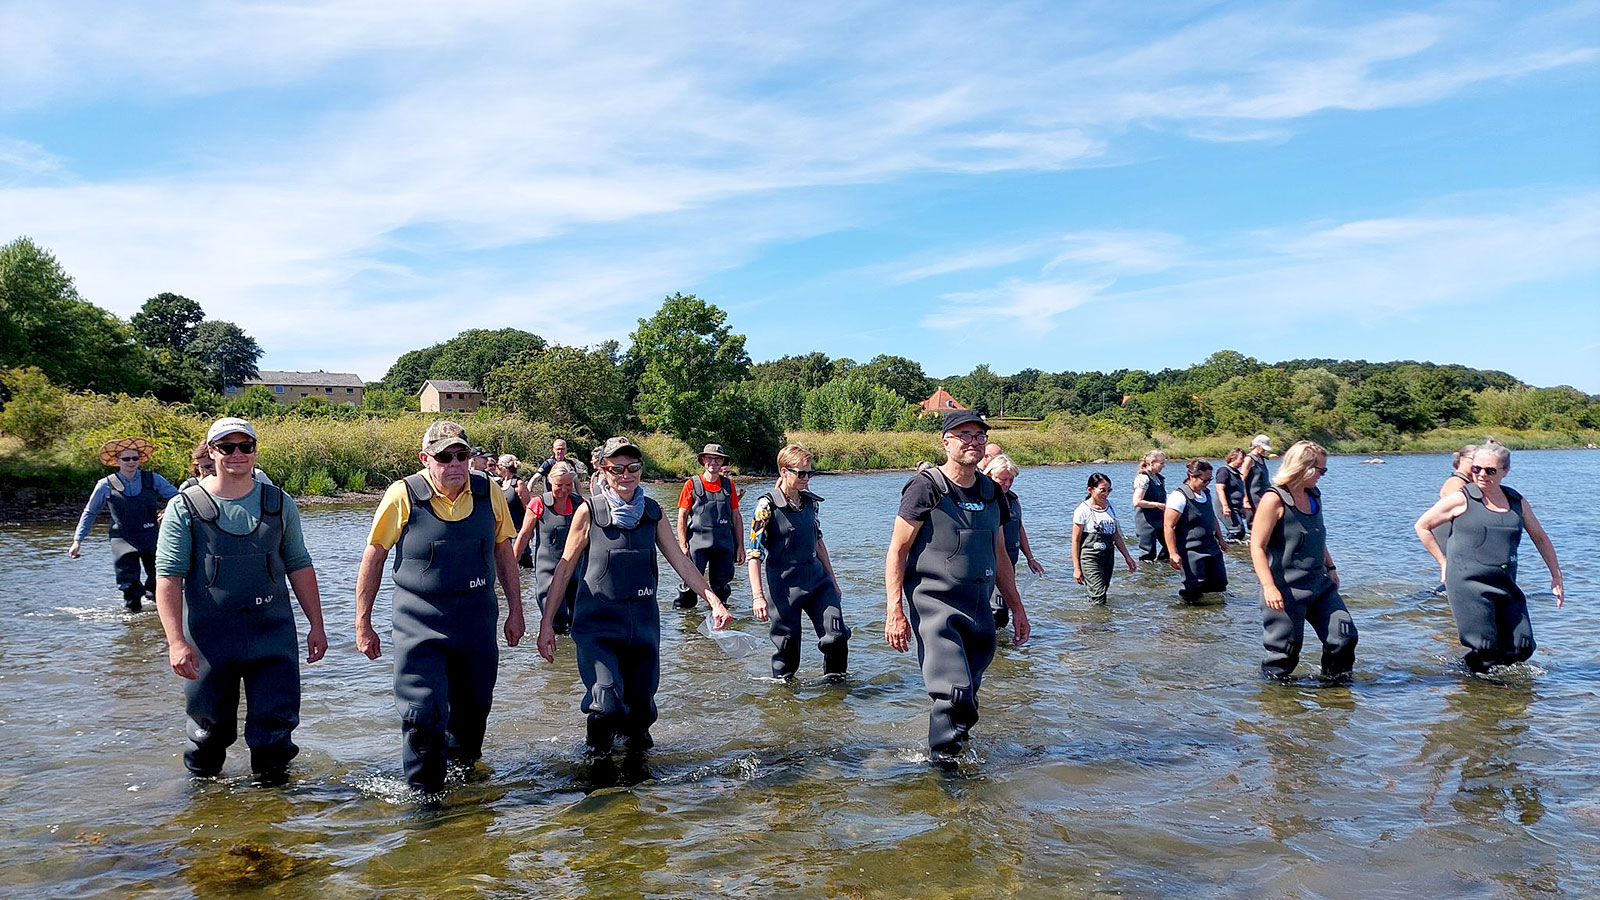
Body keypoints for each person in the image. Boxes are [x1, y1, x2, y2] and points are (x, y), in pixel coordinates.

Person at [536, 437, 734, 758]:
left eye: (633, 468)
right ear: (604, 470)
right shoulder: (589, 511)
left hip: (642, 629)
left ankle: (638, 785)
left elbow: (682, 561)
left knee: (641, 715)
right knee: (607, 704)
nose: (626, 475)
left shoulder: (652, 513)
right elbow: (563, 569)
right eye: (617, 468)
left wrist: (713, 600)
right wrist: (547, 624)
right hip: (597, 629)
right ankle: (595, 763)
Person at [354, 421, 525, 792]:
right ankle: (425, 802)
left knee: (474, 711)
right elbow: (375, 555)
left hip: (477, 622)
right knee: (423, 713)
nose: (455, 464)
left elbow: (504, 550)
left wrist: (517, 610)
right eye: (444, 457)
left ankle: (466, 794)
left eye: (462, 455)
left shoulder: (489, 491)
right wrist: (362, 623)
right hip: (420, 624)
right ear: (425, 459)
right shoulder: (403, 495)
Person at [153, 417, 327, 780]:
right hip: (211, 639)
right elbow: (168, 577)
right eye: (227, 447)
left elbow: (299, 565)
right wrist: (175, 642)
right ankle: (203, 806)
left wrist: (317, 626)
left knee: (275, 732)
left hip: (273, 635)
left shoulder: (279, 503)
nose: (237, 454)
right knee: (208, 735)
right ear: (211, 451)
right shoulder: (185, 507)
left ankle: (273, 810)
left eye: (245, 446)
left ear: (255, 450)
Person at [885, 410, 1030, 764]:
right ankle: (943, 772)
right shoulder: (926, 487)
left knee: (969, 696)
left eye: (979, 436)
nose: (973, 441)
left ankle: (955, 755)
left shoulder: (992, 491)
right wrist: (895, 612)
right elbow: (897, 550)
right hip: (935, 606)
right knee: (954, 692)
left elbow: (1000, 556)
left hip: (978, 607)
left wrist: (1017, 607)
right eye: (964, 434)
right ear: (946, 441)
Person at [1413, 440, 1565, 673]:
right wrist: (1443, 562)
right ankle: (1469, 690)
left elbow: (1541, 538)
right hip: (1468, 583)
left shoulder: (1516, 501)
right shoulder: (1461, 498)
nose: (1482, 475)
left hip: (1504, 583)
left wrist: (1556, 575)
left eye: (1490, 470)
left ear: (1505, 471)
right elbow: (1422, 526)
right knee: (1485, 649)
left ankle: (1504, 699)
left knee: (1521, 648)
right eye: (1476, 469)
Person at [1250, 440, 1356, 681]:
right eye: (1321, 470)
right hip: (1285, 589)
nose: (1323, 476)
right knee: (1285, 654)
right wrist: (1269, 587)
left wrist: (1331, 566)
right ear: (1303, 468)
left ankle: (1334, 694)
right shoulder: (1274, 499)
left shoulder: (1313, 494)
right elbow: (1256, 546)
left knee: (1344, 637)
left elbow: (1317, 533)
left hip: (1320, 584)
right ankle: (1275, 702)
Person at [748, 444, 849, 678]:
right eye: (801, 473)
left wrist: (833, 582)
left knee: (837, 636)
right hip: (784, 588)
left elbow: (818, 543)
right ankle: (785, 703)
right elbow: (754, 553)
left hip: (817, 582)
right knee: (787, 654)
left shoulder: (810, 503)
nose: (806, 478)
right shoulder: (766, 506)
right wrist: (757, 596)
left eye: (809, 473)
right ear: (784, 472)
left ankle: (835, 694)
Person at [69, 437, 180, 611]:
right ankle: (133, 613)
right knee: (128, 582)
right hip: (122, 538)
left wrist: (167, 511)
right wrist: (78, 541)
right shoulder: (104, 485)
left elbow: (178, 498)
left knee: (160, 577)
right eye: (126, 459)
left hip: (150, 535)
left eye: (135, 458)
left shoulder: (153, 479)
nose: (131, 462)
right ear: (117, 461)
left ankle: (158, 612)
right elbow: (90, 512)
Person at [512, 461, 586, 636]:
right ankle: (554, 657)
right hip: (548, 572)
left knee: (578, 620)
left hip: (576, 570)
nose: (564, 490)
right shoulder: (538, 504)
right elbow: (524, 535)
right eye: (559, 485)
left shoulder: (581, 505)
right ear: (550, 481)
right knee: (554, 620)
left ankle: (571, 660)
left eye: (568, 485)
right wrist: (512, 563)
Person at [675, 444, 745, 609]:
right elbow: (682, 516)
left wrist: (740, 546)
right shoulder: (691, 484)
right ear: (703, 460)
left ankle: (720, 622)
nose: (714, 462)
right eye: (710, 458)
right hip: (697, 544)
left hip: (724, 545)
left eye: (718, 459)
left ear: (722, 462)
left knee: (721, 588)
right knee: (689, 586)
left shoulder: (729, 486)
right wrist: (683, 544)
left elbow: (736, 516)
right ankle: (686, 626)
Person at [980, 454, 1045, 627]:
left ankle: (1001, 647)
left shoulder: (1013, 500)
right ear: (989, 476)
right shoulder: (984, 500)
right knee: (998, 609)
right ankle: (993, 646)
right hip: (990, 564)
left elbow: (1019, 528)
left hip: (1010, 562)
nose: (1007, 484)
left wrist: (1030, 558)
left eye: (1011, 480)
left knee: (1004, 610)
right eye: (1003, 480)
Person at [1163, 459, 1229, 602]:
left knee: (1218, 584)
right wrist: (1173, 553)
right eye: (1204, 480)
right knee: (1194, 589)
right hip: (1191, 551)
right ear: (1192, 476)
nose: (1207, 484)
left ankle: (1213, 618)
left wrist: (1221, 539)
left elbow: (1212, 517)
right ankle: (1189, 616)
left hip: (1211, 547)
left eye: (1209, 480)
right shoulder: (1179, 497)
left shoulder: (1206, 493)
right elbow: (1168, 526)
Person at [1071, 473, 1138, 604]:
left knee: (1102, 592)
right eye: (1102, 490)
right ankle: (1099, 622)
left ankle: (1090, 619)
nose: (1106, 493)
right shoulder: (1082, 510)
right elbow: (1075, 540)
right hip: (1090, 558)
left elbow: (1117, 535)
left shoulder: (1111, 506)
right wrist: (1077, 568)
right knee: (1099, 596)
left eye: (1109, 490)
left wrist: (1127, 557)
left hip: (1108, 557)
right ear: (1091, 490)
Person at [1428, 444, 1478, 592]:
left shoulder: (1467, 483)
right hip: (1450, 538)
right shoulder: (1455, 483)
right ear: (1461, 460)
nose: (1478, 465)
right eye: (1473, 460)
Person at [179, 438, 275, 491]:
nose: (205, 472)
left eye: (209, 466)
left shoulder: (256, 476)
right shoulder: (190, 487)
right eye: (200, 467)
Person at [1130, 450, 1168, 561]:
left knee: (1171, 545)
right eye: (1161, 463)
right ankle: (1147, 576)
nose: (1163, 466)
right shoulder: (1143, 478)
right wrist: (1157, 505)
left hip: (1160, 520)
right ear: (1152, 462)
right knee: (1148, 555)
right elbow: (1137, 501)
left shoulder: (1159, 478)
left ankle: (1163, 572)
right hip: (1146, 522)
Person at [497, 454, 534, 568]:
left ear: (504, 468)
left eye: (498, 465)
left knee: (522, 562)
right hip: (503, 531)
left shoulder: (518, 484)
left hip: (517, 531)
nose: (496, 468)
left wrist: (530, 530)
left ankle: (526, 585)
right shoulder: (499, 484)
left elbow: (529, 508)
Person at [1214, 448, 1248, 541]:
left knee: (1241, 532)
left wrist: (1243, 507)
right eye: (1241, 459)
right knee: (1236, 532)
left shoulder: (1237, 473)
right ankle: (1224, 546)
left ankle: (1234, 551)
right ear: (1233, 458)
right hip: (1226, 506)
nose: (1243, 462)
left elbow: (1240, 490)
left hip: (1236, 506)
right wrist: (1225, 506)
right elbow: (1220, 489)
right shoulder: (1224, 471)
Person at [1239, 435, 1273, 526]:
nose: (1264, 451)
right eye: (1263, 448)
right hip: (1253, 496)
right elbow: (1242, 480)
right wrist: (1245, 500)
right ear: (1257, 445)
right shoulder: (1249, 459)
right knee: (1255, 521)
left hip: (1264, 495)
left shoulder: (1261, 458)